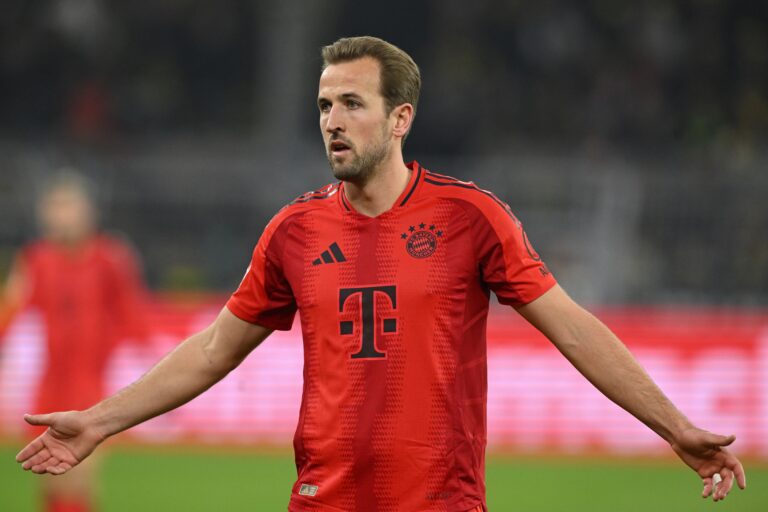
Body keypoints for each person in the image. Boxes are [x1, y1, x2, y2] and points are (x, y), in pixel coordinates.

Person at [15, 37, 746, 512]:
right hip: (321, 500)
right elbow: (212, 351)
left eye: (352, 104)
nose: (332, 120)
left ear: (400, 119)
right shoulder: (294, 231)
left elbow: (576, 332)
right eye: (324, 105)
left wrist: (675, 427)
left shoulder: (469, 217)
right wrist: (98, 422)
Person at [2, 171, 150, 512]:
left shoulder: (110, 258)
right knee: (50, 476)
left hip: (91, 387)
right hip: (49, 385)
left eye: (67, 206)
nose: (59, 215)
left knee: (78, 474)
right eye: (54, 207)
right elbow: (12, 313)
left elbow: (133, 317)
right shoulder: (36, 260)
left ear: (87, 211)